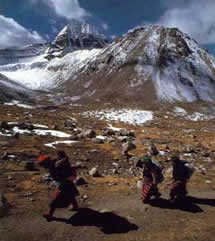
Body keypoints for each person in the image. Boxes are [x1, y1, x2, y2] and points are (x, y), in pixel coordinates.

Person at [37, 150, 79, 222]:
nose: (43, 166)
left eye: (43, 164)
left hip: (64, 183)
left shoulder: (56, 164)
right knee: (70, 193)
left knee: (56, 198)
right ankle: (75, 206)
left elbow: (61, 173)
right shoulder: (54, 164)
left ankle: (49, 214)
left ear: (46, 162)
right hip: (66, 182)